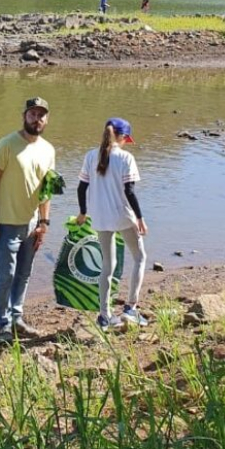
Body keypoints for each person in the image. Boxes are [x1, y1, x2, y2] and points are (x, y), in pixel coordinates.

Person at [0, 97, 56, 343]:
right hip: (6, 223)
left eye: (41, 115)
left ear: (47, 119)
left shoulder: (48, 150)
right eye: (33, 114)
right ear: (24, 116)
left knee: (24, 274)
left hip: (32, 224)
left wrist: (44, 223)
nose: (37, 119)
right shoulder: (7, 144)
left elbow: (47, 190)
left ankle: (17, 318)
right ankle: (2, 324)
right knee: (6, 274)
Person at [76, 118, 148, 330]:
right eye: (127, 138)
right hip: (122, 216)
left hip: (99, 217)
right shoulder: (126, 157)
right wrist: (140, 218)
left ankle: (104, 315)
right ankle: (130, 308)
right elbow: (129, 191)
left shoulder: (91, 156)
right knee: (139, 258)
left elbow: (81, 189)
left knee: (107, 266)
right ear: (123, 136)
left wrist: (82, 213)